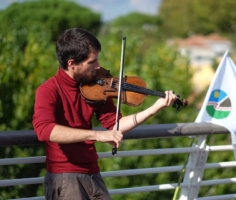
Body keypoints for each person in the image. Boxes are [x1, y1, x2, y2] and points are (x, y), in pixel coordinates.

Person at [32, 28, 178, 200]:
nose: (98, 66)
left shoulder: (95, 87)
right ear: (72, 63)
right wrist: (97, 135)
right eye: (91, 62)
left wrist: (154, 108)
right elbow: (44, 130)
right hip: (65, 176)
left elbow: (115, 125)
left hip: (93, 173)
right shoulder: (48, 90)